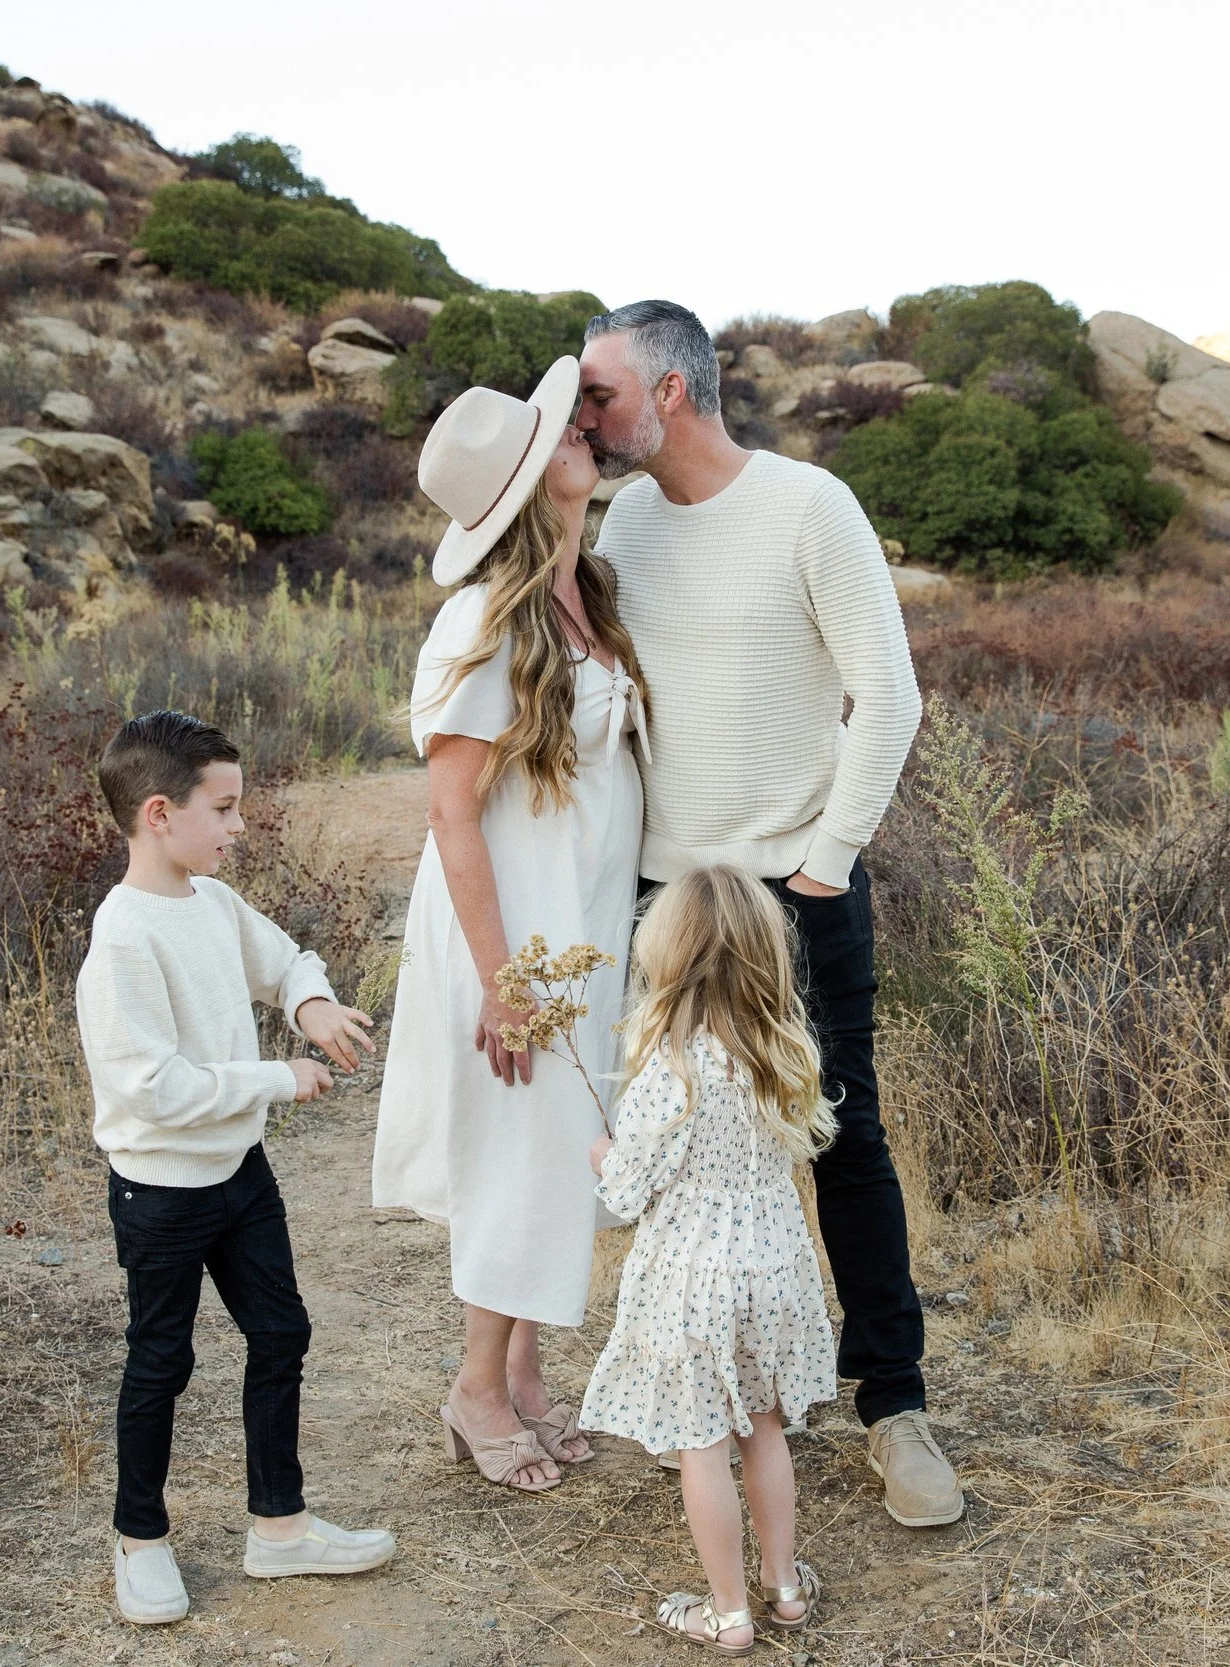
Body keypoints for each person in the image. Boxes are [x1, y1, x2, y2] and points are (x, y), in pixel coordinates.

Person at [577, 300, 961, 1530]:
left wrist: (826, 862)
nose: (587, 416)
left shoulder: (808, 507)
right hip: (662, 900)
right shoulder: (624, 520)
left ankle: (892, 1405)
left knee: (842, 1137)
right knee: (684, 1155)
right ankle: (718, 1397)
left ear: (673, 392)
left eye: (602, 393)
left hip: (795, 891)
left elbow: (886, 698)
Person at [372, 356, 653, 1493]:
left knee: (564, 1151)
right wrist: (503, 979)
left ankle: (526, 1371)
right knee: (519, 1150)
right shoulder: (483, 622)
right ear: (534, 482)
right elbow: (451, 814)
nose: (582, 434)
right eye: (562, 435)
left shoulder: (589, 589)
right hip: (513, 933)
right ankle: (476, 1386)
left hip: (580, 919)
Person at [76, 710, 396, 1626]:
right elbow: (151, 1089)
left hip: (239, 1174)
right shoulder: (124, 938)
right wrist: (277, 1077)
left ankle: (280, 1528)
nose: (239, 826)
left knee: (281, 1332)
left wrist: (314, 1005)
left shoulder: (211, 902)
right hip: (161, 1190)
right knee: (160, 1360)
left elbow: (283, 960)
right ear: (159, 814)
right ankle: (140, 1541)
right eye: (224, 808)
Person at [581, 865, 839, 1653]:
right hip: (774, 1268)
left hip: (694, 1279)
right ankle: (785, 1587)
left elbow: (627, 1191)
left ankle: (727, 1614)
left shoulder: (673, 1067)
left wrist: (604, 1152)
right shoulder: (785, 1051)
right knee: (765, 1429)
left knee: (702, 1444)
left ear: (668, 957)